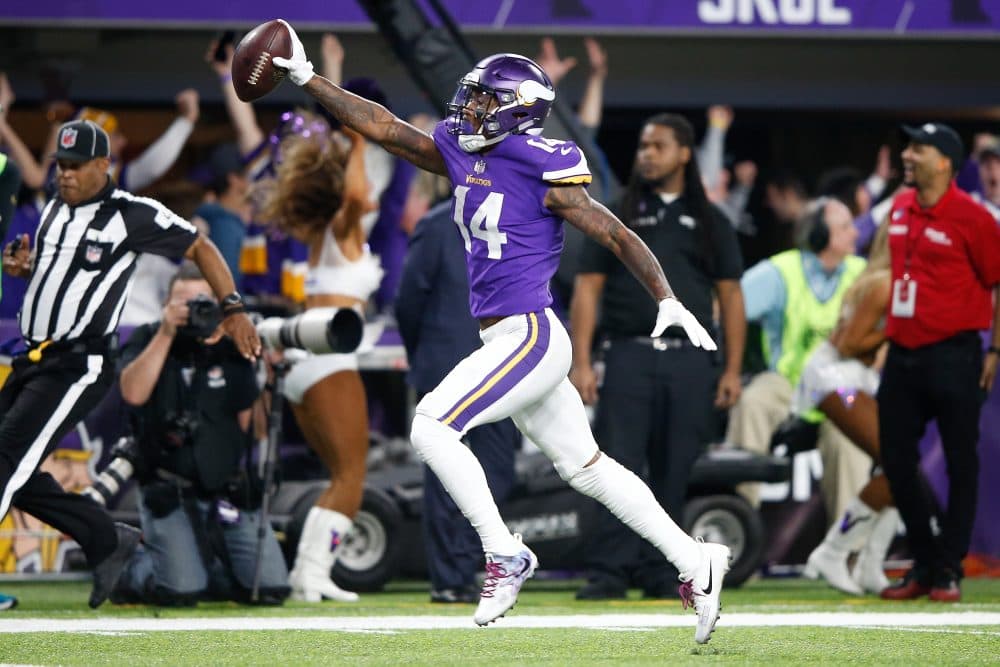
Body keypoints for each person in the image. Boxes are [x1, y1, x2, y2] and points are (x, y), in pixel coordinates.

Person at [272, 20, 731, 643]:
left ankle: (504, 552)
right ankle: (695, 559)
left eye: (486, 98)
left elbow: (615, 233)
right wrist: (307, 77)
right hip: (505, 338)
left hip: (531, 334)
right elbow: (381, 126)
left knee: (432, 427)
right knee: (586, 467)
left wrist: (667, 297)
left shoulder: (542, 164)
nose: (471, 107)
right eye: (473, 95)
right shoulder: (462, 149)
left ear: (519, 109)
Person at [0, 119, 259, 609]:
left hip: (77, 363)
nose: (65, 174)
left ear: (104, 165)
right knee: (20, 469)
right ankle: (105, 539)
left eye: (77, 166)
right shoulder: (55, 207)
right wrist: (24, 267)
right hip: (33, 357)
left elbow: (199, 246)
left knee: (6, 457)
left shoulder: (130, 214)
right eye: (61, 165)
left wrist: (234, 308)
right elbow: (64, 271)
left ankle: (106, 539)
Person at [570, 113, 745, 600]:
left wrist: (732, 369)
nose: (647, 154)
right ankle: (608, 569)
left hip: (690, 362)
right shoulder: (617, 214)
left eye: (658, 146)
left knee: (675, 467)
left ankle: (664, 570)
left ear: (685, 153)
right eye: (643, 146)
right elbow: (587, 288)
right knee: (614, 465)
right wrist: (581, 362)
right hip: (629, 354)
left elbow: (731, 296)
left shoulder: (711, 221)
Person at [113, 263, 289, 606]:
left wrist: (269, 377)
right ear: (166, 304)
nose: (194, 311)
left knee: (269, 589)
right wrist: (166, 332)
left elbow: (254, 428)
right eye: (184, 302)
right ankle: (133, 565)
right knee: (180, 592)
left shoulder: (230, 350)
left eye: (203, 303)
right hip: (168, 486)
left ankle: (205, 568)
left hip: (226, 489)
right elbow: (133, 393)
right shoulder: (148, 337)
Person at [257, 126, 381, 602]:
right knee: (352, 477)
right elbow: (356, 195)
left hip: (306, 362)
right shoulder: (342, 229)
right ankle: (313, 574)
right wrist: (360, 147)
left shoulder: (325, 238)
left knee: (340, 476)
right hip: (330, 360)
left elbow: (354, 194)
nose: (369, 186)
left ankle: (306, 574)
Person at [877, 123, 1000, 602]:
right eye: (908, 147)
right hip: (902, 353)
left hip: (955, 353)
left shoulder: (975, 218)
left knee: (960, 462)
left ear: (945, 162)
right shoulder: (901, 206)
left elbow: (997, 283)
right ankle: (926, 562)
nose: (908, 155)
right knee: (895, 459)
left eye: (919, 149)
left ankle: (949, 567)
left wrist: (995, 350)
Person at [396, 175, 520, 604]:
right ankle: (450, 578)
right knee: (446, 474)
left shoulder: (513, 222)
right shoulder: (436, 225)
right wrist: (424, 354)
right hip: (447, 365)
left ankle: (470, 562)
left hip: (501, 366)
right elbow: (408, 300)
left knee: (500, 470)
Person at [726, 197, 872, 524]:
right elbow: (730, 305)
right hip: (787, 383)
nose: (855, 233)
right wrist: (733, 368)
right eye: (845, 227)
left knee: (853, 433)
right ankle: (735, 523)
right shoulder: (780, 272)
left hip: (841, 390)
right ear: (821, 236)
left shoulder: (862, 274)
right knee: (752, 403)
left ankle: (848, 545)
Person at [791, 224, 905, 595]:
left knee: (900, 469)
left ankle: (870, 564)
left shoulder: (884, 280)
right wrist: (898, 330)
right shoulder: (884, 284)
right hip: (837, 379)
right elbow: (847, 344)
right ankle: (834, 551)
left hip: (852, 378)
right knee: (898, 464)